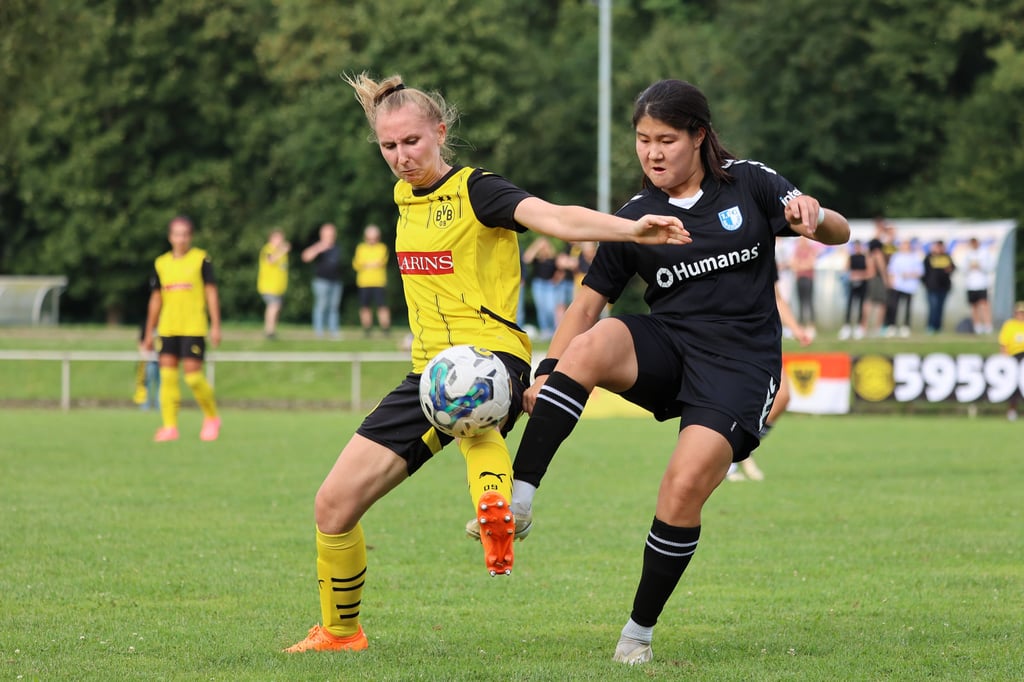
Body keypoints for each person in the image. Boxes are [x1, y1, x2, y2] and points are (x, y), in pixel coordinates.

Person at [283, 72, 689, 654]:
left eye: (412, 143)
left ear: (440, 132)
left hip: (490, 359)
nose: (401, 158)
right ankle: (341, 633)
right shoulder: (403, 198)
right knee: (333, 504)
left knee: (468, 405)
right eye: (389, 147)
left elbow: (556, 219)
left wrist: (631, 229)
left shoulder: (480, 191)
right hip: (428, 374)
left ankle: (498, 505)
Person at [496, 79, 848, 665]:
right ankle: (521, 497)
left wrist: (817, 215)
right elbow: (585, 307)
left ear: (698, 137)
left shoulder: (750, 182)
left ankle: (638, 633)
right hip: (670, 345)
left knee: (682, 489)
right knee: (596, 339)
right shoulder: (635, 217)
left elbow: (838, 232)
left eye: (665, 140)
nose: (652, 153)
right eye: (642, 140)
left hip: (740, 366)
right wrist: (545, 372)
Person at [142, 215, 222, 442]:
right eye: (177, 234)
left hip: (193, 326)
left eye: (185, 234)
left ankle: (212, 418)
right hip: (168, 327)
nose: (181, 238)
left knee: (193, 378)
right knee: (167, 377)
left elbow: (211, 293)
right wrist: (149, 331)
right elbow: (156, 299)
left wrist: (216, 325)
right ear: (170, 237)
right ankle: (169, 426)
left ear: (191, 236)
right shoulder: (161, 263)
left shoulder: (201, 259)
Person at [726, 274, 813, 482]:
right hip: (730, 335)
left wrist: (796, 328)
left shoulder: (762, 245)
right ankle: (726, 458)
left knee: (781, 396)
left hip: (762, 338)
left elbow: (777, 297)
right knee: (731, 401)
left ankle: (738, 452)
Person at [301, 223, 343, 339]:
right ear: (322, 235)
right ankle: (319, 332)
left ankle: (334, 332)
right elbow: (305, 257)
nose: (331, 236)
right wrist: (319, 247)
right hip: (321, 281)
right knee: (321, 306)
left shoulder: (337, 247)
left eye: (332, 234)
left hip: (336, 281)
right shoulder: (318, 247)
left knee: (334, 307)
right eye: (328, 234)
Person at [352, 224, 392, 337]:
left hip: (379, 282)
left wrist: (366, 264)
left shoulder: (382, 247)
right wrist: (372, 264)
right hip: (363, 283)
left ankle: (385, 329)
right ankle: (367, 330)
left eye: (374, 238)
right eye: (369, 238)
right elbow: (356, 263)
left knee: (382, 306)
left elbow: (380, 262)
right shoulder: (361, 248)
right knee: (365, 307)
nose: (372, 241)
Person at [523, 236, 562, 339]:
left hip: (549, 285)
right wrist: (536, 246)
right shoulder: (537, 259)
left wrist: (556, 280)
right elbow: (526, 258)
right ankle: (545, 331)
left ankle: (553, 330)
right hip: (538, 284)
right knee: (541, 308)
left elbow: (560, 270)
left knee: (550, 308)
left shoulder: (553, 258)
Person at [883, 239, 924, 337]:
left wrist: (909, 275)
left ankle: (905, 327)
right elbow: (891, 271)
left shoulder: (915, 257)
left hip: (909, 287)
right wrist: (891, 282)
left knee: (907, 308)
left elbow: (920, 272)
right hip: (897, 285)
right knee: (893, 307)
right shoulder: (896, 256)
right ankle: (891, 326)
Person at [257, 229, 290, 339]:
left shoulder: (280, 251)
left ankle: (272, 330)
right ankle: (269, 331)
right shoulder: (268, 249)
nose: (280, 241)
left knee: (277, 308)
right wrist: (282, 251)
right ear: (271, 239)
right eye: (278, 238)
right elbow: (270, 260)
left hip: (278, 287)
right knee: (273, 306)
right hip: (268, 286)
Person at [998, 301, 1024, 420]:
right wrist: (1005, 360)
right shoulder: (1009, 325)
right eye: (1019, 313)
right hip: (1014, 358)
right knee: (1014, 385)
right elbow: (1003, 344)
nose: (1021, 315)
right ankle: (1012, 410)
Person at [922, 239, 955, 334]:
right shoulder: (928, 257)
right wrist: (925, 283)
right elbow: (924, 272)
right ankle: (930, 326)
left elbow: (953, 268)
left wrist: (949, 269)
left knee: (940, 308)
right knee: (933, 307)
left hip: (944, 287)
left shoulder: (946, 257)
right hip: (931, 287)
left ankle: (938, 327)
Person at [839, 240, 869, 340]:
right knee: (849, 305)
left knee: (861, 306)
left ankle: (859, 328)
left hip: (863, 285)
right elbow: (845, 269)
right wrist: (851, 275)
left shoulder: (865, 258)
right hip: (852, 285)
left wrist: (860, 275)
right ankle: (846, 327)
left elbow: (869, 271)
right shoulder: (851, 258)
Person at [963, 237, 993, 334]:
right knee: (974, 305)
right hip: (971, 284)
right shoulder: (967, 254)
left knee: (984, 305)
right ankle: (977, 326)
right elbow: (963, 269)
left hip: (982, 283)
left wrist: (979, 266)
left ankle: (988, 325)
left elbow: (990, 267)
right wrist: (970, 267)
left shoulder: (985, 253)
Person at [862, 235, 890, 336]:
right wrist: (886, 281)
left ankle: (864, 327)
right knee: (881, 304)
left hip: (870, 280)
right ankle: (878, 328)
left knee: (868, 303)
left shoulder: (868, 255)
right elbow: (882, 269)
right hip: (878, 280)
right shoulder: (878, 254)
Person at [791, 236, 819, 336]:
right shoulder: (797, 250)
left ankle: (811, 326)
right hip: (799, 278)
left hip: (808, 278)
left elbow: (811, 264)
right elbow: (793, 264)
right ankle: (801, 325)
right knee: (800, 303)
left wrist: (800, 265)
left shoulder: (811, 249)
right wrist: (802, 265)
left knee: (809, 302)